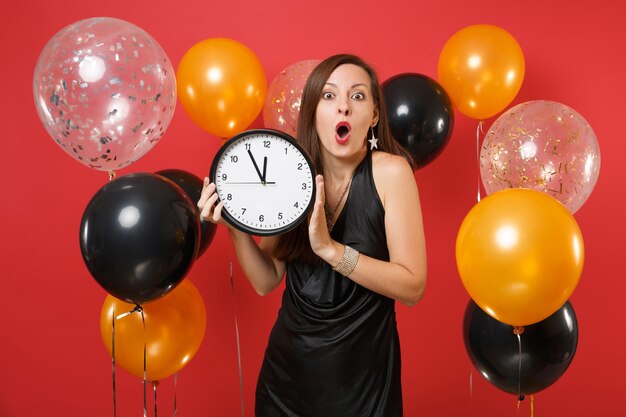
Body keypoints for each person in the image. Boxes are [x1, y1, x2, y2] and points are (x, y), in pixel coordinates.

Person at [198, 54, 427, 416]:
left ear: (375, 116)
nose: (344, 109)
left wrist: (331, 251)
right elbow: (266, 280)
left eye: (357, 96)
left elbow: (413, 286)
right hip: (285, 383)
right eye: (329, 96)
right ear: (313, 112)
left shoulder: (391, 173)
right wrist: (236, 230)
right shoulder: (289, 172)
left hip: (363, 387)